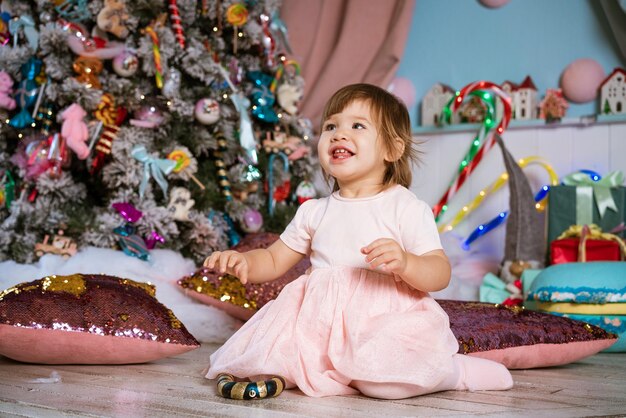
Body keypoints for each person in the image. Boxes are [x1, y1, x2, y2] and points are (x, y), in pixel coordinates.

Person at [204, 83, 513, 400]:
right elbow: (273, 260)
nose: (338, 134)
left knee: (387, 385)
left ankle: (455, 372)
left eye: (357, 126)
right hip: (318, 326)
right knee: (266, 360)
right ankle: (341, 372)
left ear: (391, 150)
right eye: (331, 126)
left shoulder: (404, 207)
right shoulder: (314, 211)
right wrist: (244, 262)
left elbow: (439, 272)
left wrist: (407, 263)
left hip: (381, 324)